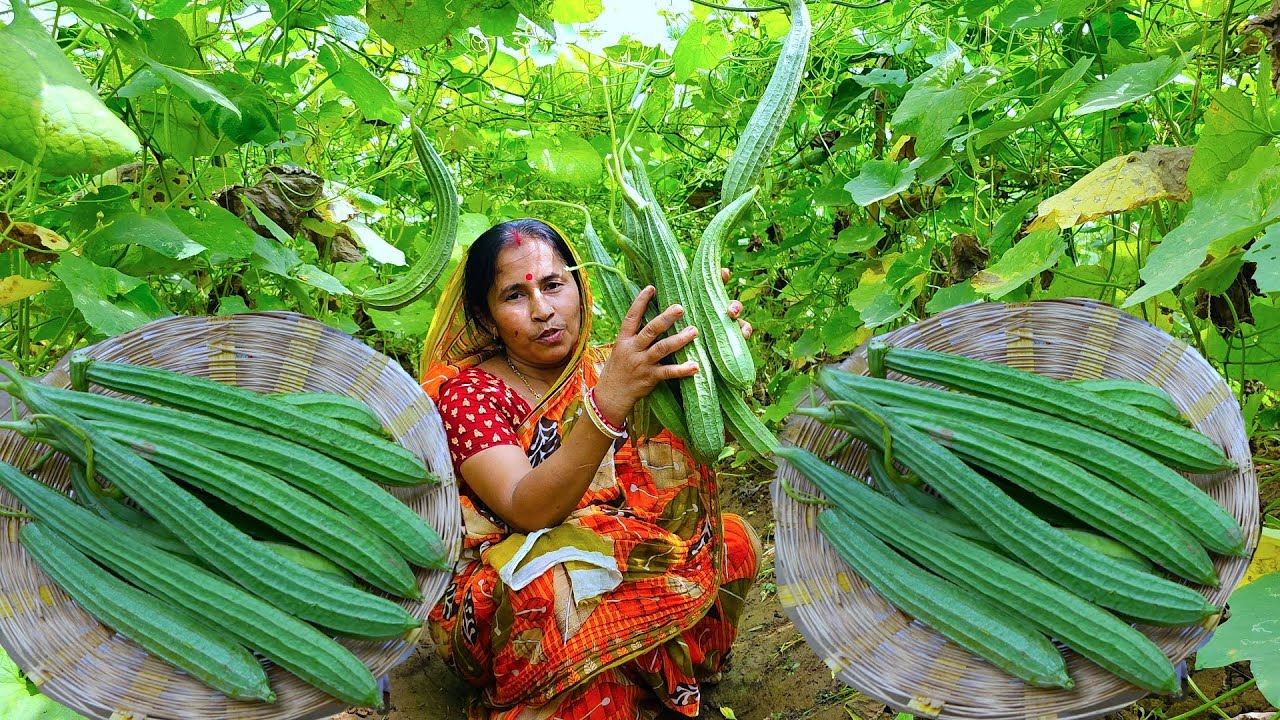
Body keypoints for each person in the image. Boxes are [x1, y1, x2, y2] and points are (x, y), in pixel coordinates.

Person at [420, 218, 762, 719]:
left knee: (729, 542)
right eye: (515, 295)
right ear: (487, 316)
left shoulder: (614, 363)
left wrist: (712, 358)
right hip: (510, 589)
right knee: (561, 587)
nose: (542, 310)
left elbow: (695, 456)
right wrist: (609, 403)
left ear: (580, 287)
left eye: (554, 285)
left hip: (620, 557)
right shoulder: (468, 395)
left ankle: (639, 677)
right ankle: (571, 689)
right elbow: (526, 507)